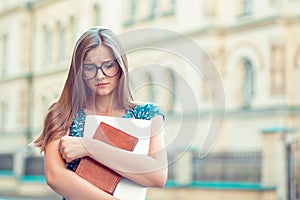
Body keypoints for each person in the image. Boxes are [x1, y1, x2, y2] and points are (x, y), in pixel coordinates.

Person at [32, 26, 168, 200]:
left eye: (108, 66)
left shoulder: (148, 114)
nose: (100, 75)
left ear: (120, 66)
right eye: (90, 68)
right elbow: (55, 177)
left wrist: (89, 147)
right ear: (79, 72)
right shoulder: (63, 113)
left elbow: (157, 175)